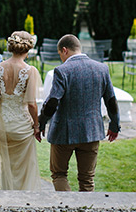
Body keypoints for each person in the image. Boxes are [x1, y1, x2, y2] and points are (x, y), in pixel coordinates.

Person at [37, 34, 120, 192]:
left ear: (64, 50)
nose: (61, 58)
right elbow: (111, 101)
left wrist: (41, 122)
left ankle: (69, 208)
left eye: (60, 55)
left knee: (59, 174)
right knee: (87, 178)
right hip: (91, 131)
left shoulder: (62, 71)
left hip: (63, 134)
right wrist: (114, 125)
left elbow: (53, 101)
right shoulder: (102, 68)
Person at [0, 31, 42, 190]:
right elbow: (31, 104)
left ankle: (8, 197)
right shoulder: (30, 71)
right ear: (28, 49)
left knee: (6, 165)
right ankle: (25, 201)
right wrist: (36, 126)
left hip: (2, 126)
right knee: (25, 167)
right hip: (22, 128)